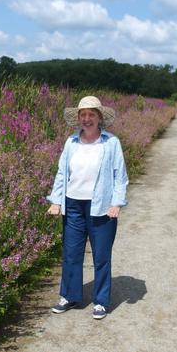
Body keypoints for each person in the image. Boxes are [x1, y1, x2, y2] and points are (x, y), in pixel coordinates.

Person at [47, 96, 128, 320]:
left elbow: (119, 176)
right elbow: (62, 173)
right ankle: (70, 296)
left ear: (99, 118)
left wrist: (116, 203)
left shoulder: (111, 142)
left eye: (91, 114)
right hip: (73, 204)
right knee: (71, 253)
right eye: (83, 115)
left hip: (101, 206)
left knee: (101, 256)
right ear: (78, 119)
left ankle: (101, 301)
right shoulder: (71, 142)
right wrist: (56, 200)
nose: (87, 119)